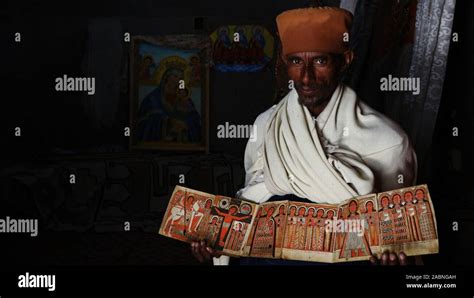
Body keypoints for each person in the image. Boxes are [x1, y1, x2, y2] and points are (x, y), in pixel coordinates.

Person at [191, 7, 417, 265]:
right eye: (296, 61)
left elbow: (396, 237)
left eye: (320, 61)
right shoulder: (266, 124)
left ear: (345, 61)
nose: (306, 77)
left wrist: (393, 256)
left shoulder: (388, 141)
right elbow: (251, 198)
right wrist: (219, 240)